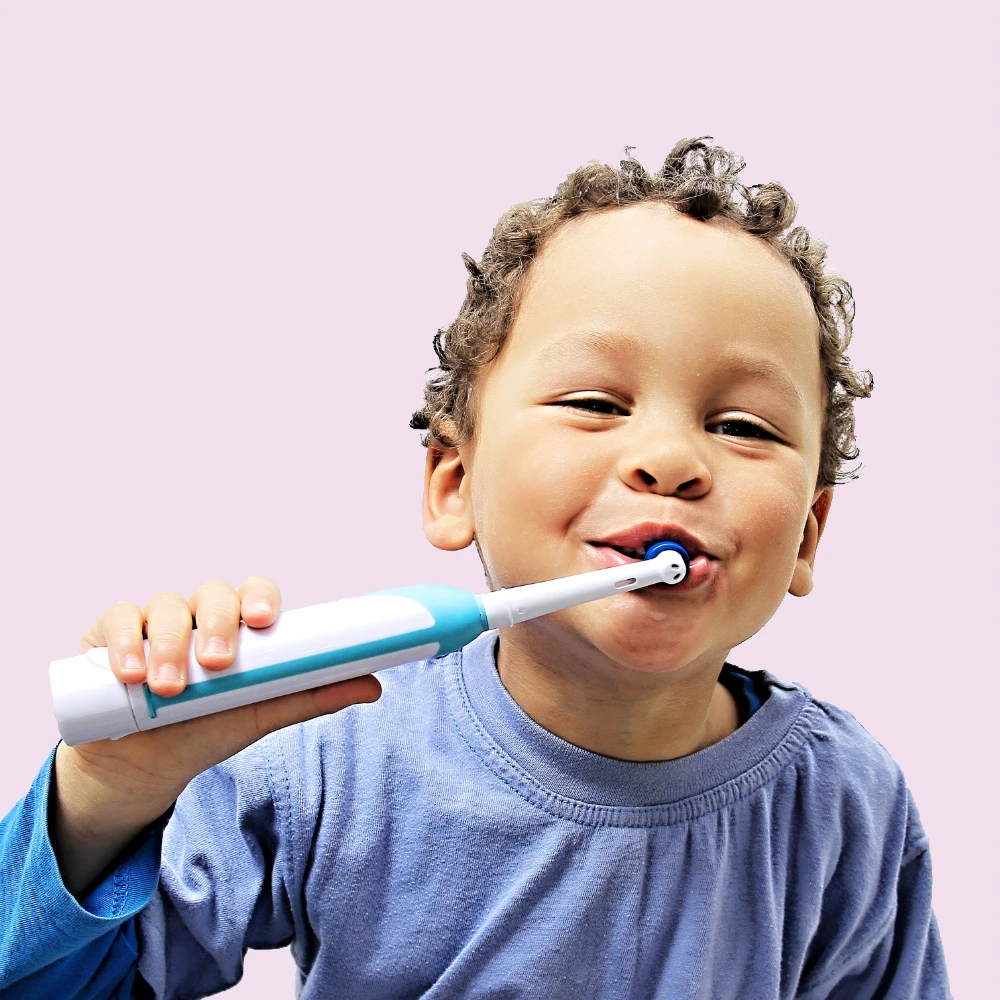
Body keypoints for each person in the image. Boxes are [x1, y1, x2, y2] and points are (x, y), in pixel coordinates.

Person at [0, 139, 952, 998]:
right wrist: (104, 799)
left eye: (741, 425)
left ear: (810, 535)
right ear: (454, 482)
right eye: (594, 401)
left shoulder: (846, 810)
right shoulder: (329, 749)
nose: (672, 459)